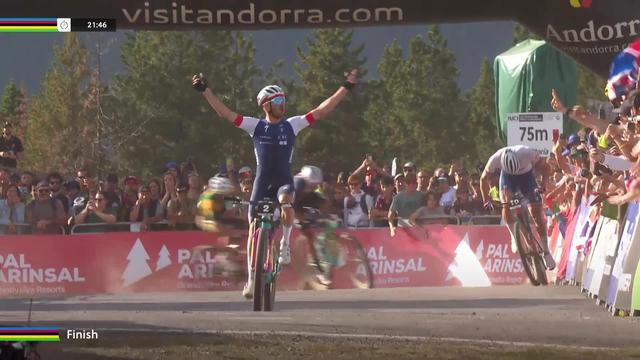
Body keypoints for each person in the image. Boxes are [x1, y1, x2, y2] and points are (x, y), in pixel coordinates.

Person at [193, 68, 359, 299]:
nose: (284, 104)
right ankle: (252, 279)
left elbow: (321, 111)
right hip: (262, 182)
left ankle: (285, 245)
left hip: (283, 180)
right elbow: (226, 114)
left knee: (287, 203)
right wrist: (206, 92)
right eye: (279, 100)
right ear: (267, 105)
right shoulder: (255, 126)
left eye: (283, 99)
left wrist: (346, 87)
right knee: (253, 230)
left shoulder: (292, 124)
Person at [480, 145, 555, 270]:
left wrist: (543, 183)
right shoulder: (495, 158)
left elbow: (545, 167)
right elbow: (483, 179)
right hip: (508, 180)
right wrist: (486, 200)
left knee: (536, 214)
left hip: (527, 177)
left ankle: (546, 251)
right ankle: (514, 237)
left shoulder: (527, 152)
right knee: (506, 205)